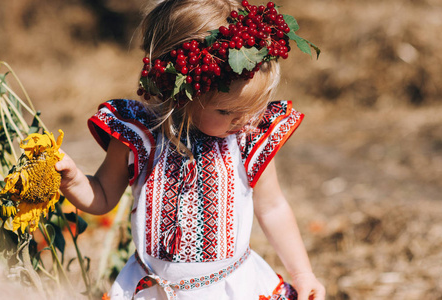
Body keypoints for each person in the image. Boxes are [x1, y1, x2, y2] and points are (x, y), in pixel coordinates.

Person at [56, 0, 325, 299]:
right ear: (179, 96)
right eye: (227, 112)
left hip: (227, 289)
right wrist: (73, 180)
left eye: (254, 107)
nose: (245, 120)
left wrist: (302, 274)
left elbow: (272, 207)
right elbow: (103, 197)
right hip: (155, 290)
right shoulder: (139, 136)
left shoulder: (248, 140)